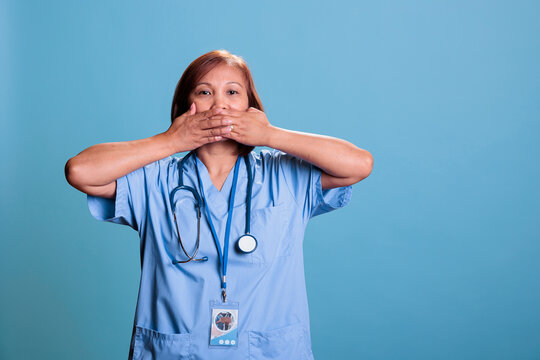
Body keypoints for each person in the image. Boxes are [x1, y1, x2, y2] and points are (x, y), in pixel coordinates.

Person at [65, 49, 373, 360]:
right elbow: (80, 171)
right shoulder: (155, 180)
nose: (220, 104)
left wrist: (270, 135)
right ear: (188, 107)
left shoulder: (284, 175)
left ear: (249, 106)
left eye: (232, 92)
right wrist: (171, 141)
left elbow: (359, 164)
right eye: (205, 92)